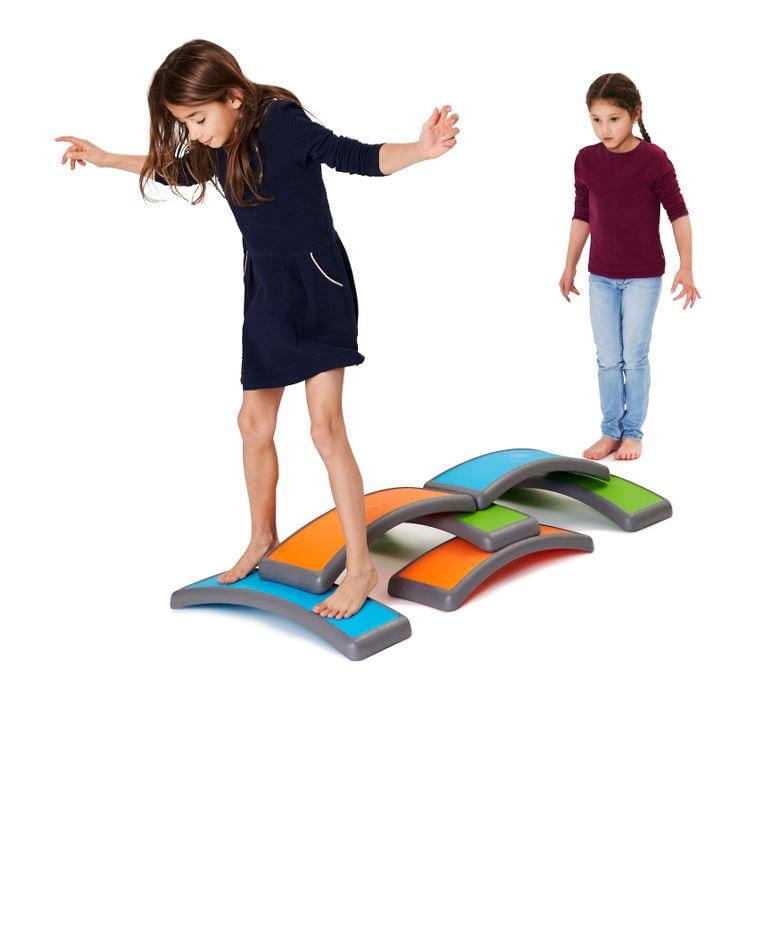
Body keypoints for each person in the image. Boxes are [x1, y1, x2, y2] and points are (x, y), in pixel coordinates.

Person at [56, 39, 460, 618]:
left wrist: (420, 150)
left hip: (318, 284)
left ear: (234, 97)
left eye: (198, 119)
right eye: (184, 123)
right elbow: (176, 171)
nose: (194, 133)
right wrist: (105, 158)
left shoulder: (281, 122)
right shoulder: (216, 143)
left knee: (324, 428)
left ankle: (362, 567)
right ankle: (262, 538)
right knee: (252, 423)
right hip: (267, 289)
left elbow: (354, 155)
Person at [558, 72, 699, 462]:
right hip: (601, 276)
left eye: (614, 119)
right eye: (596, 120)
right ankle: (610, 431)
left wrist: (686, 266)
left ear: (635, 113)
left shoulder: (654, 159)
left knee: (634, 356)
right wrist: (569, 265)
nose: (605, 129)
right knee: (607, 357)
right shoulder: (586, 159)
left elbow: (679, 214)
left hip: (643, 277)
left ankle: (632, 432)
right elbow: (581, 215)